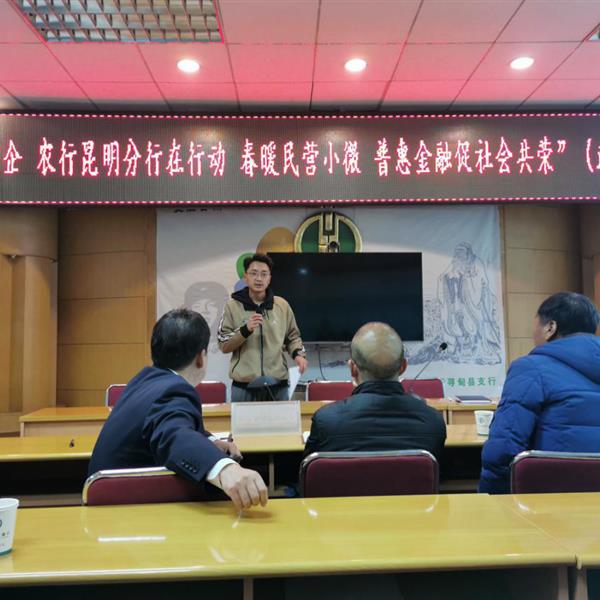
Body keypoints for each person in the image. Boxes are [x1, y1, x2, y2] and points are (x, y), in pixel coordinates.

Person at [88, 308, 268, 510]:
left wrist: (210, 442)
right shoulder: (174, 390)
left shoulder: (144, 379)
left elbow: (167, 423)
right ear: (201, 357)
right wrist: (225, 468)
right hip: (129, 510)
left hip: (107, 502)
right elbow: (174, 435)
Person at [479, 292, 600, 494]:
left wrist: (490, 496)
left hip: (551, 495)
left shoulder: (530, 368)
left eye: (535, 325)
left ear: (550, 327)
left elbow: (504, 447)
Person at [303, 322, 446, 461]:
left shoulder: (326, 421)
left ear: (353, 369)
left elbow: (308, 472)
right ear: (403, 367)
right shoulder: (434, 422)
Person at [217, 253, 307, 402]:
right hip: (244, 386)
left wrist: (298, 354)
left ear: (269, 278)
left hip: (278, 384)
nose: (259, 278)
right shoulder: (232, 306)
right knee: (243, 419)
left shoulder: (282, 305)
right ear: (246, 277)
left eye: (264, 274)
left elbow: (293, 337)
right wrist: (245, 330)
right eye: (254, 273)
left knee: (281, 418)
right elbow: (223, 344)